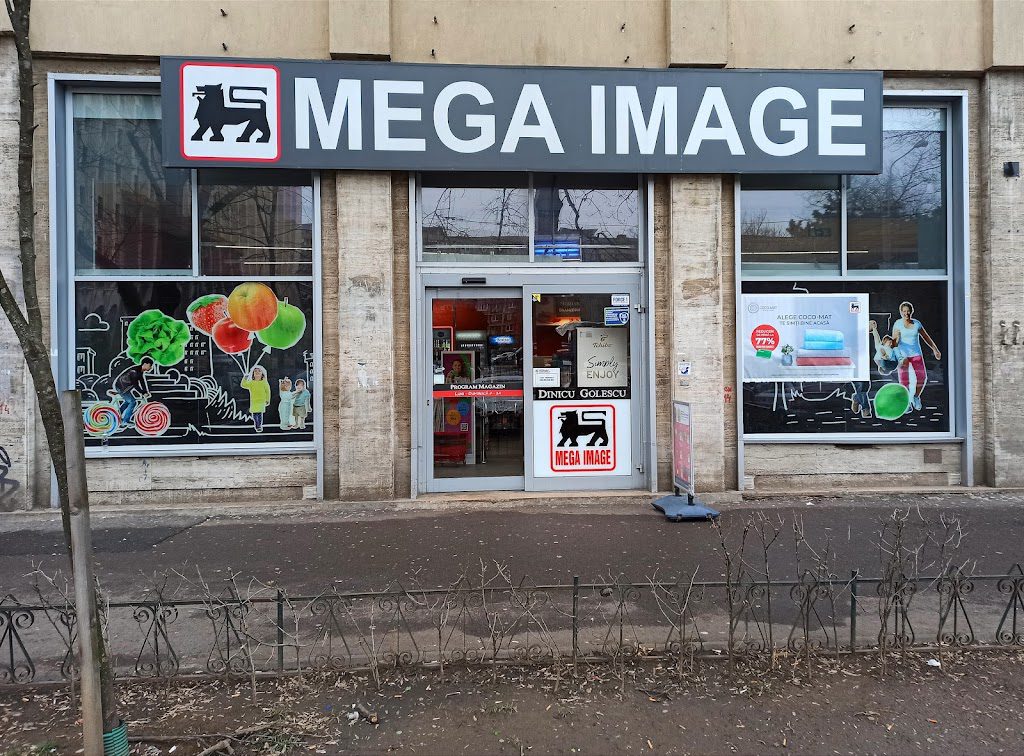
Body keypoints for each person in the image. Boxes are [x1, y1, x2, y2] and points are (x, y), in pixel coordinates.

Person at [891, 301, 941, 412]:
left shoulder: (917, 323)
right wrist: (897, 341)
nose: (906, 313)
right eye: (904, 311)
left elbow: (926, 337)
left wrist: (935, 349)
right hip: (902, 356)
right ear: (901, 312)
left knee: (922, 378)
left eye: (908, 311)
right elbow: (894, 343)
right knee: (904, 381)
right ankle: (906, 402)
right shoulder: (897, 324)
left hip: (916, 354)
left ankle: (916, 397)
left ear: (912, 311)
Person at [110, 356, 154, 428]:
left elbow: (142, 382)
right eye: (150, 365)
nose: (151, 367)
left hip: (124, 388)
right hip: (122, 388)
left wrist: (145, 391)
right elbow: (135, 384)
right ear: (145, 364)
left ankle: (116, 416)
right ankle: (125, 421)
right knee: (133, 402)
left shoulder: (139, 371)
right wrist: (143, 393)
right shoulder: (135, 372)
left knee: (128, 402)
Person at [240, 367, 271, 432]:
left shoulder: (264, 382)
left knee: (259, 414)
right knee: (254, 414)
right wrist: (245, 378)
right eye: (255, 371)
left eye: (259, 371)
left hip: (261, 401)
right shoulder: (251, 382)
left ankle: (258, 426)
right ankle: (257, 425)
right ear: (253, 374)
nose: (257, 372)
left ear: (262, 374)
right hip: (254, 401)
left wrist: (267, 400)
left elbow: (268, 391)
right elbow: (243, 385)